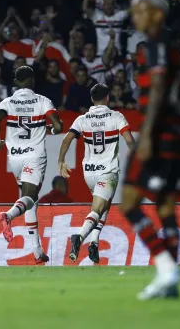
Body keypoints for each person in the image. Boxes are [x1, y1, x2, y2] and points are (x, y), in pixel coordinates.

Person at [122, 0, 180, 300]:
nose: (136, 16)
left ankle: (165, 267)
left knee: (129, 202)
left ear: (158, 14)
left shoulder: (157, 44)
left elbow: (159, 88)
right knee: (165, 206)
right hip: (176, 134)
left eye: (141, 10)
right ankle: (170, 282)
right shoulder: (171, 46)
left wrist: (147, 136)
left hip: (159, 134)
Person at [0, 66, 63, 264]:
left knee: (29, 199)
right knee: (30, 197)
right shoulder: (42, 100)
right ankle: (8, 215)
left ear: (16, 82)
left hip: (14, 158)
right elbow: (59, 126)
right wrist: (52, 130)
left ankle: (37, 251)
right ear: (32, 81)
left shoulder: (8, 102)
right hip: (34, 156)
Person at [58, 84, 135, 264]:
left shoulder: (82, 119)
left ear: (92, 99)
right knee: (97, 209)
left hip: (89, 174)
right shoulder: (116, 117)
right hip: (107, 172)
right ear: (107, 97)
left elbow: (67, 139)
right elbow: (130, 140)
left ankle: (94, 242)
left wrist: (61, 161)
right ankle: (80, 236)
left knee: (104, 204)